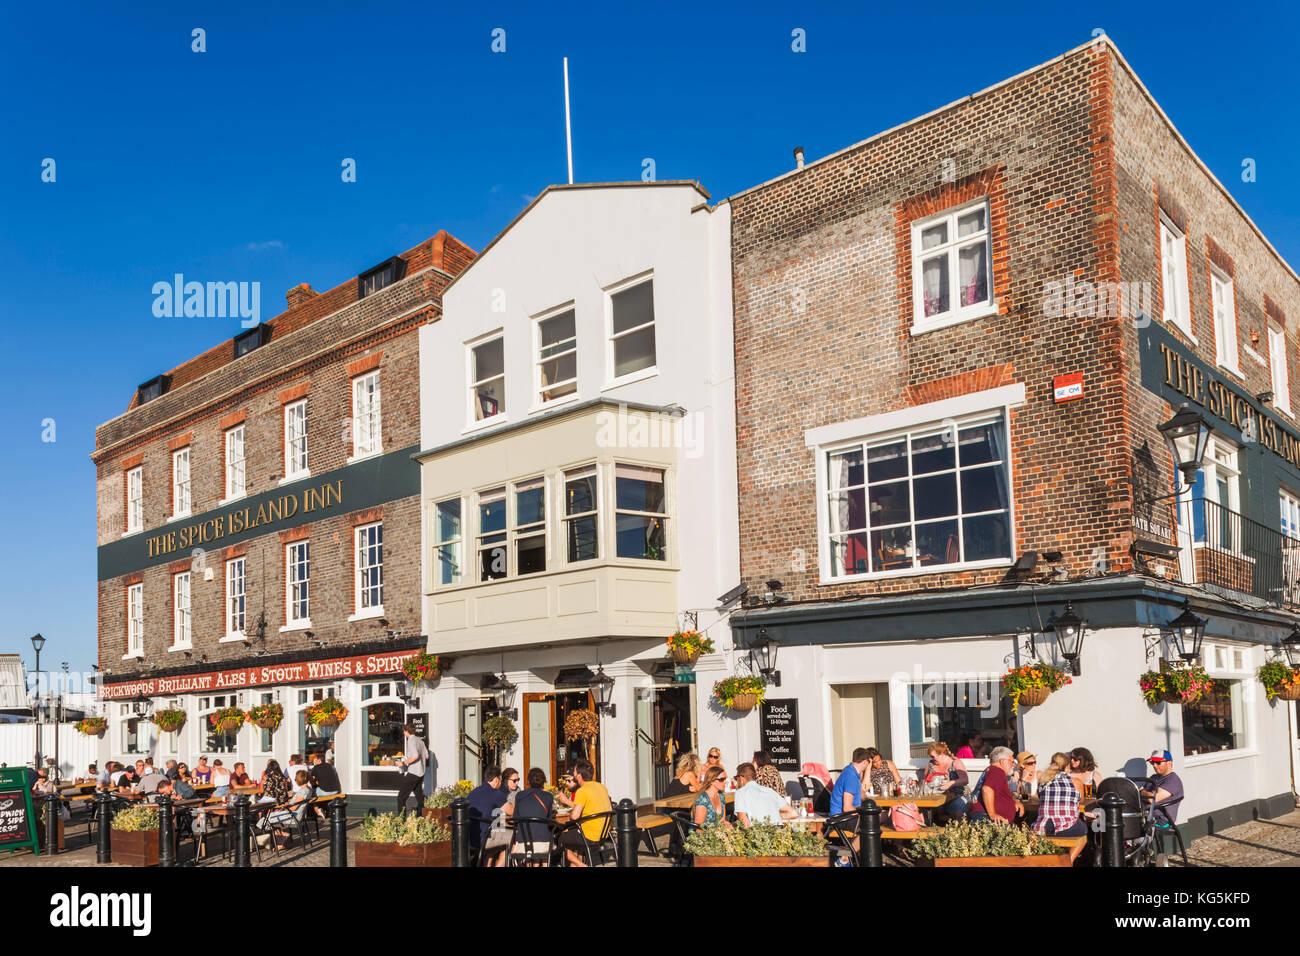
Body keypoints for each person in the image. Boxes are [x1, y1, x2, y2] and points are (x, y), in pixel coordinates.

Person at [563, 760, 613, 867]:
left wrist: (571, 810)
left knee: (558, 839)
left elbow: (574, 816)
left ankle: (581, 865)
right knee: (573, 837)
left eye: (575, 772)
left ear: (579, 776)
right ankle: (576, 864)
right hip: (603, 835)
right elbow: (608, 808)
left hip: (589, 837)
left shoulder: (582, 791)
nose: (574, 774)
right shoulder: (601, 787)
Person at [1032, 752, 1084, 836]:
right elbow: (1081, 801)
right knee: (1083, 830)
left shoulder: (1043, 780)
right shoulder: (1076, 782)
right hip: (1066, 825)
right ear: (1067, 766)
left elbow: (1040, 796)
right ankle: (1070, 850)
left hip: (1042, 826)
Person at [510, 768, 555, 863]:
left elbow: (515, 819)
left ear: (528, 781)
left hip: (523, 844)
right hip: (543, 843)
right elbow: (549, 819)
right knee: (548, 840)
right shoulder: (548, 796)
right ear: (543, 781)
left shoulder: (519, 796)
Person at [259, 770, 313, 850]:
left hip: (293, 816)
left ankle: (282, 837)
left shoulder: (303, 791)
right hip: (295, 815)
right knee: (270, 816)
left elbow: (294, 807)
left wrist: (284, 809)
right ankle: (281, 838)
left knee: (266, 818)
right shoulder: (308, 789)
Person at [918, 742, 970, 819]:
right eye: (930, 756)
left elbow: (965, 780)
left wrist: (951, 783)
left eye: (933, 756)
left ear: (942, 754)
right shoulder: (931, 764)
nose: (931, 758)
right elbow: (924, 781)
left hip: (957, 796)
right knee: (919, 809)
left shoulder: (955, 762)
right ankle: (922, 830)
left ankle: (960, 830)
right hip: (936, 798)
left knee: (958, 810)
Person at [483, 767, 522, 866]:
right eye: (514, 780)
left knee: (510, 843)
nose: (517, 783)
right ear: (505, 780)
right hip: (497, 826)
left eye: (518, 780)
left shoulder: (518, 792)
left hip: (510, 825)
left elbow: (515, 811)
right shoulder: (499, 791)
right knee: (501, 846)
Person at [468, 766, 508, 854]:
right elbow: (511, 811)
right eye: (501, 781)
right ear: (497, 780)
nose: (501, 784)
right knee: (511, 839)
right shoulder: (496, 794)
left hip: (469, 838)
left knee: (495, 836)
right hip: (484, 838)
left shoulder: (472, 793)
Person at [981, 747, 1025, 824]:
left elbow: (995, 795)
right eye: (1012, 761)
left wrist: (1013, 801)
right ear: (1002, 761)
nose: (1013, 765)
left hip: (986, 818)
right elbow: (987, 789)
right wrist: (992, 814)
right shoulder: (997, 771)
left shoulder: (991, 770)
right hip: (989, 820)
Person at [1141, 750, 1185, 824]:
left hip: (1160, 819)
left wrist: (1141, 791)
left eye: (1158, 762)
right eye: (1152, 762)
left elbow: (1152, 799)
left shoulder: (1173, 780)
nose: (1154, 765)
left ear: (1169, 763)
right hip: (1145, 815)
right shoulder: (1154, 777)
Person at [396, 722, 429, 814]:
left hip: (413, 773)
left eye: (404, 731)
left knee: (401, 797)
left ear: (406, 731)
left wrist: (403, 763)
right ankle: (427, 817)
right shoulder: (420, 741)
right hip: (421, 773)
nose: (403, 733)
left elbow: (415, 756)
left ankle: (401, 822)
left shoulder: (411, 740)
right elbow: (426, 756)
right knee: (420, 798)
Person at [830, 748, 872, 814]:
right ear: (865, 762)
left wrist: (870, 804)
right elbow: (847, 808)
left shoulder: (852, 771)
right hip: (843, 818)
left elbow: (861, 793)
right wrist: (866, 814)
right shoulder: (851, 776)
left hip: (849, 815)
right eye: (869, 762)